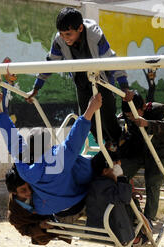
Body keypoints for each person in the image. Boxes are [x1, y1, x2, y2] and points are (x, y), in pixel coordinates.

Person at [25, 7, 134, 149]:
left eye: (68, 34)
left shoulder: (95, 36)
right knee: (87, 118)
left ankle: (121, 143)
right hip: (82, 82)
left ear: (80, 28)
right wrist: (36, 88)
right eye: (62, 34)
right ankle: (106, 145)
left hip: (102, 80)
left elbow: (111, 60)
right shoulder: (59, 40)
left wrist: (124, 86)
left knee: (107, 116)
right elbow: (50, 63)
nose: (65, 38)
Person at [0, 91, 102, 216]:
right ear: (49, 147)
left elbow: (13, 140)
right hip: (75, 203)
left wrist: (0, 112)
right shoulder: (55, 160)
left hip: (50, 210)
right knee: (94, 165)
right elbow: (73, 142)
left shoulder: (24, 168)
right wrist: (91, 109)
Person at [119, 92, 164, 222]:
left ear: (143, 107)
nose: (132, 118)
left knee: (152, 180)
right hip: (141, 151)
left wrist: (147, 123)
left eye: (134, 115)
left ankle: (148, 220)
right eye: (129, 116)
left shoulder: (156, 109)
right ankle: (133, 213)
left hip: (163, 151)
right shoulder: (126, 116)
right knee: (120, 173)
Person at [86, 152, 152, 247]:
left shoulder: (95, 184)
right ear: (105, 171)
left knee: (130, 200)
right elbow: (124, 198)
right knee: (131, 204)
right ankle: (137, 239)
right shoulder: (108, 185)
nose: (117, 169)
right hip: (114, 233)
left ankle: (140, 226)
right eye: (115, 167)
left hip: (95, 230)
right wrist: (120, 176)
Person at [5, 165, 71, 246]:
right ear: (14, 192)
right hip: (54, 225)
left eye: (29, 187)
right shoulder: (15, 215)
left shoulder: (38, 186)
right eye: (23, 190)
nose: (29, 192)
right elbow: (24, 231)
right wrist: (40, 226)